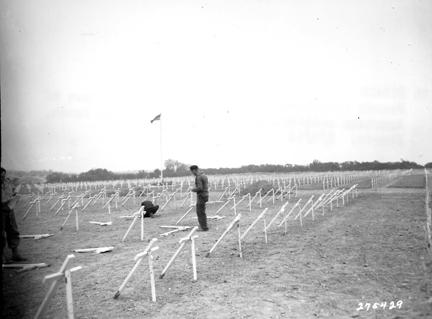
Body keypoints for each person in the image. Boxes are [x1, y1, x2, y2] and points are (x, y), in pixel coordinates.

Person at [1, 167, 26, 262]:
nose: (3, 178)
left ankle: (15, 253)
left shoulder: (7, 182)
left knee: (13, 231)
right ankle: (2, 256)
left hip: (9, 209)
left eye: (4, 176)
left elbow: (13, 191)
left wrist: (14, 195)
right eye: (1, 176)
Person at [190, 165, 209, 231]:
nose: (192, 173)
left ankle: (204, 227)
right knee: (202, 211)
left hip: (201, 196)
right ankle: (203, 226)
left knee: (200, 212)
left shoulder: (198, 177)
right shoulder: (204, 175)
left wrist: (193, 189)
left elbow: (200, 188)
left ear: (194, 170)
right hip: (205, 195)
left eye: (192, 172)